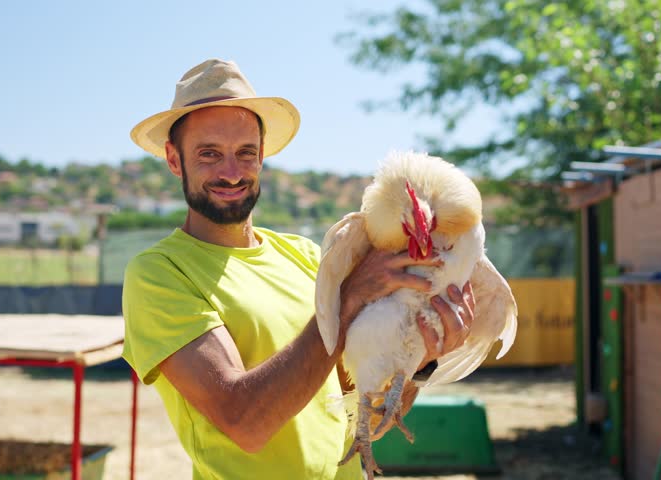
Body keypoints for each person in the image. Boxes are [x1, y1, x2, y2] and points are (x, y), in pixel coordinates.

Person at [121, 58, 475, 479]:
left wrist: (419, 362)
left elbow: (367, 408)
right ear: (174, 160)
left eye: (245, 153)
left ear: (262, 157)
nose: (231, 172)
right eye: (209, 154)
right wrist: (347, 301)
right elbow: (245, 423)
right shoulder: (161, 273)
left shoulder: (310, 258)